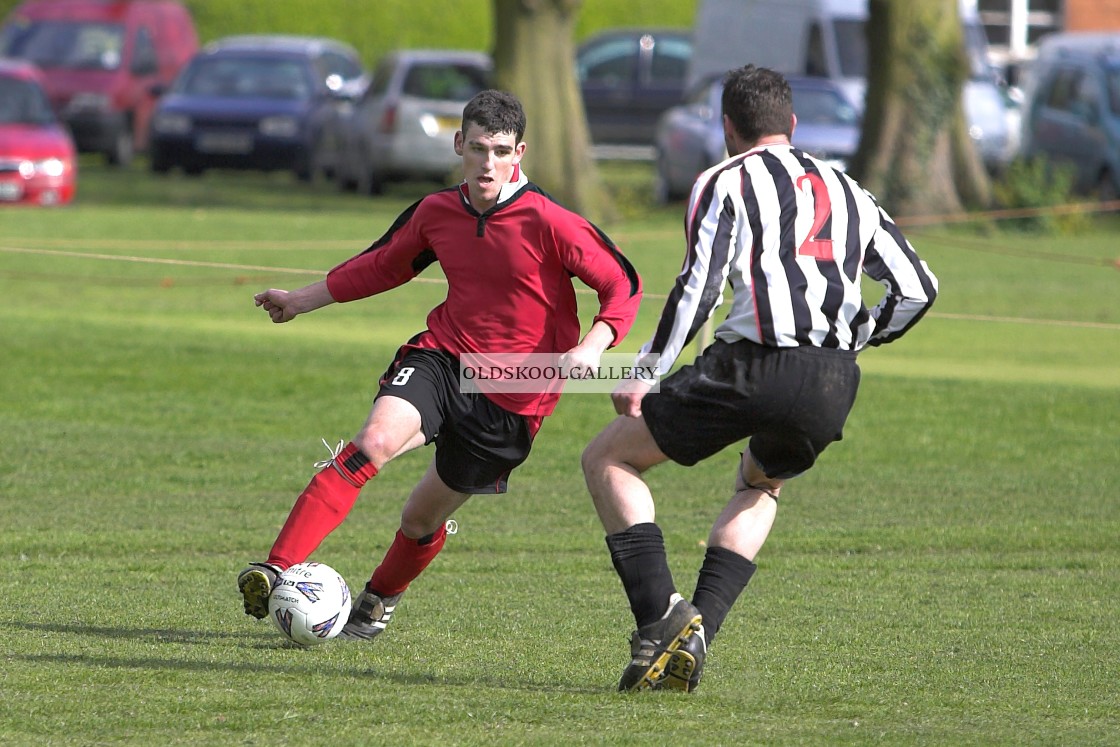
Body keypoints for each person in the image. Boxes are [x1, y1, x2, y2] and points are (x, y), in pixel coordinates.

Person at [581, 65, 938, 692]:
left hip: (753, 361)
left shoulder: (724, 180)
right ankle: (697, 637)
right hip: (833, 378)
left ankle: (663, 616)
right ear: (792, 124)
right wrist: (856, 337)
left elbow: (700, 285)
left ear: (727, 127)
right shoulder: (848, 187)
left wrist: (646, 371)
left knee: (609, 459)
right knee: (762, 484)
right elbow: (917, 289)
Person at [239, 89, 642, 642]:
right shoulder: (438, 212)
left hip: (515, 396)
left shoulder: (550, 221)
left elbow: (623, 283)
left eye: (501, 151)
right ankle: (275, 567)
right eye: (477, 148)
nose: (488, 163)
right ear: (459, 144)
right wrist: (301, 299)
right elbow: (383, 265)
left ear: (520, 152)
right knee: (372, 443)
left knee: (420, 519)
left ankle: (378, 600)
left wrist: (596, 342)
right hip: (444, 355)